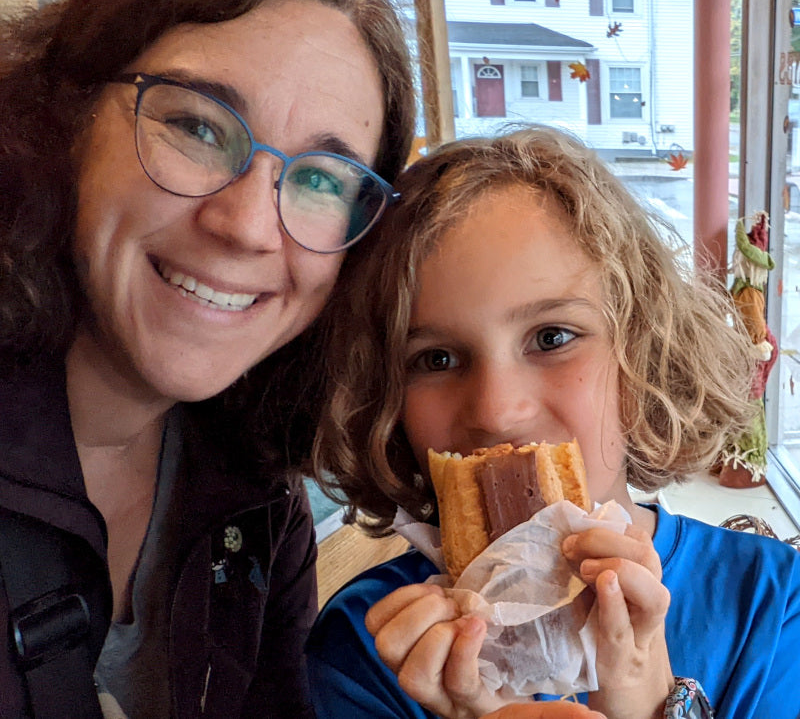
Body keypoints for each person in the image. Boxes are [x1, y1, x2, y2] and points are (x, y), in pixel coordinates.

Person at [0, 0, 414, 716]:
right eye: (197, 127)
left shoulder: (257, 500)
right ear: (66, 117)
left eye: (322, 179)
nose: (250, 226)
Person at [306, 127, 800, 719]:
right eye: (435, 359)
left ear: (643, 357)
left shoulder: (773, 608)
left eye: (552, 337)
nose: (495, 411)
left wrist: (655, 705)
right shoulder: (366, 649)